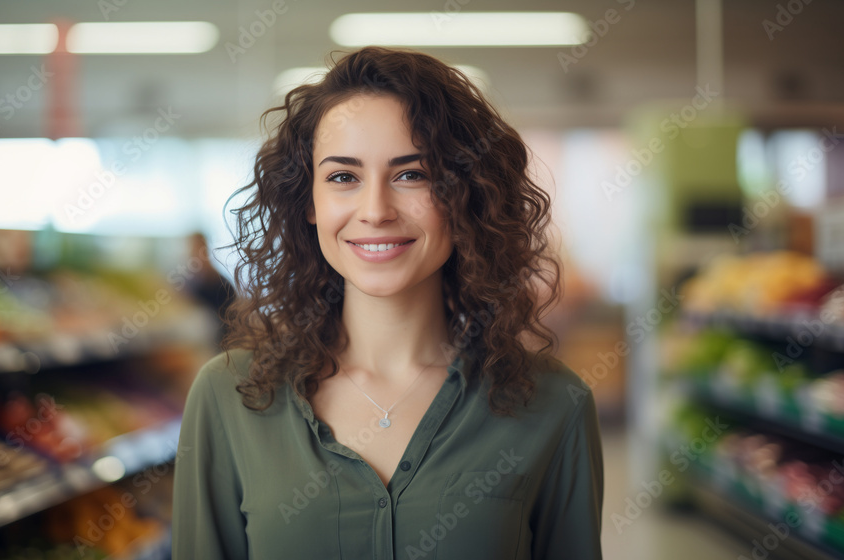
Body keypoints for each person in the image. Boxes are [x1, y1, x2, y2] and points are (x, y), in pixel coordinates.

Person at [172, 46, 604, 560]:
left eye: (411, 174)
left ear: (464, 194)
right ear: (308, 201)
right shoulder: (230, 396)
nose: (375, 211)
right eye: (342, 177)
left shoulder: (554, 403)